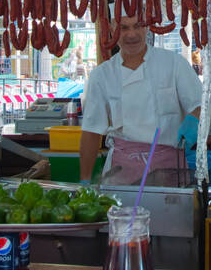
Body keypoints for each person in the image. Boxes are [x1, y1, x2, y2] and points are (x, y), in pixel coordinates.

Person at [80, 14, 202, 185]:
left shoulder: (174, 63)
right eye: (123, 28)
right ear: (113, 31)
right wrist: (84, 179)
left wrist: (194, 119)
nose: (131, 34)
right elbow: (91, 131)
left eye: (137, 26)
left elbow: (200, 104)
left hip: (168, 168)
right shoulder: (102, 75)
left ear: (147, 28)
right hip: (122, 173)